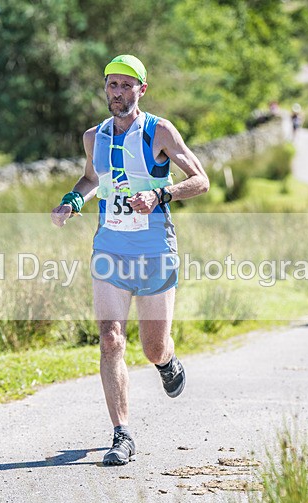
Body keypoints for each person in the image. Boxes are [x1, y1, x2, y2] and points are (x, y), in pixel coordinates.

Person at [50, 55, 210, 466]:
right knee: (110, 339)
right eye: (111, 84)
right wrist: (73, 199)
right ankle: (121, 434)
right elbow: (92, 179)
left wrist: (160, 195)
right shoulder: (94, 136)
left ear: (141, 89)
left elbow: (200, 180)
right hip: (110, 248)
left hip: (155, 248)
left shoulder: (159, 131)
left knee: (152, 347)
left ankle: (167, 362)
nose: (116, 92)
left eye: (125, 85)